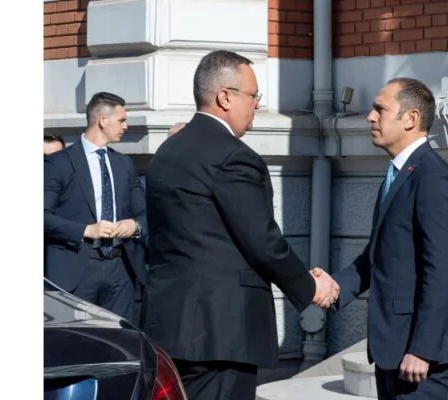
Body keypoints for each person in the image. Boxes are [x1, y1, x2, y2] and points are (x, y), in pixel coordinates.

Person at [142, 50, 339, 400]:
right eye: (253, 95)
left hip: (169, 325)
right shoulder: (234, 156)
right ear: (225, 97)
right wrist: (310, 287)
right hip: (221, 332)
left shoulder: (166, 152)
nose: (257, 105)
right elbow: (262, 241)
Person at [330, 78, 448, 400]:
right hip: (392, 345)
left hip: (416, 354)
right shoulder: (400, 173)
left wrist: (422, 349)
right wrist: (334, 287)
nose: (370, 117)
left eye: (380, 109)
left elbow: (442, 270)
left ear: (410, 118)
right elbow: (378, 255)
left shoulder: (433, 176)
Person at [44, 91, 148, 323]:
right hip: (77, 269)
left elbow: (145, 213)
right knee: (76, 339)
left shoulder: (124, 164)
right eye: (121, 120)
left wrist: (135, 225)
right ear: (103, 120)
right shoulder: (58, 163)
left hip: (121, 269)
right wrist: (86, 230)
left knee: (120, 339)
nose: (126, 126)